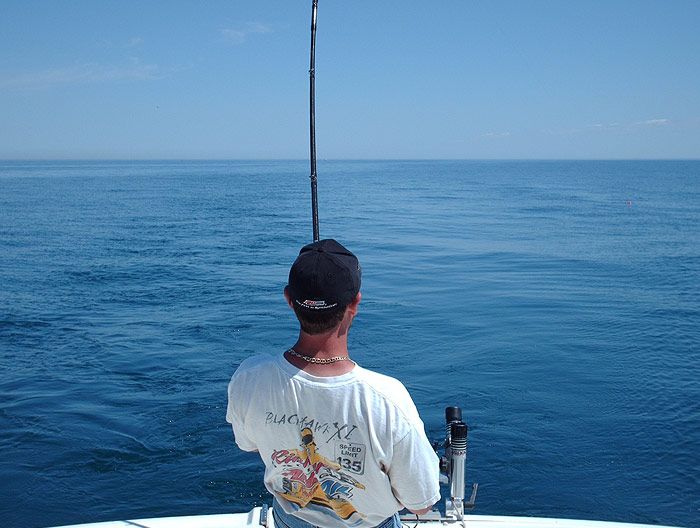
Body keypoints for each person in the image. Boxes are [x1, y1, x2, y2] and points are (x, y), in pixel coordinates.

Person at [226, 239, 440, 528]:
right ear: (355, 303)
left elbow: (249, 445)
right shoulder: (387, 399)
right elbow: (422, 504)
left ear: (289, 299)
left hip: (289, 520)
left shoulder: (249, 377)